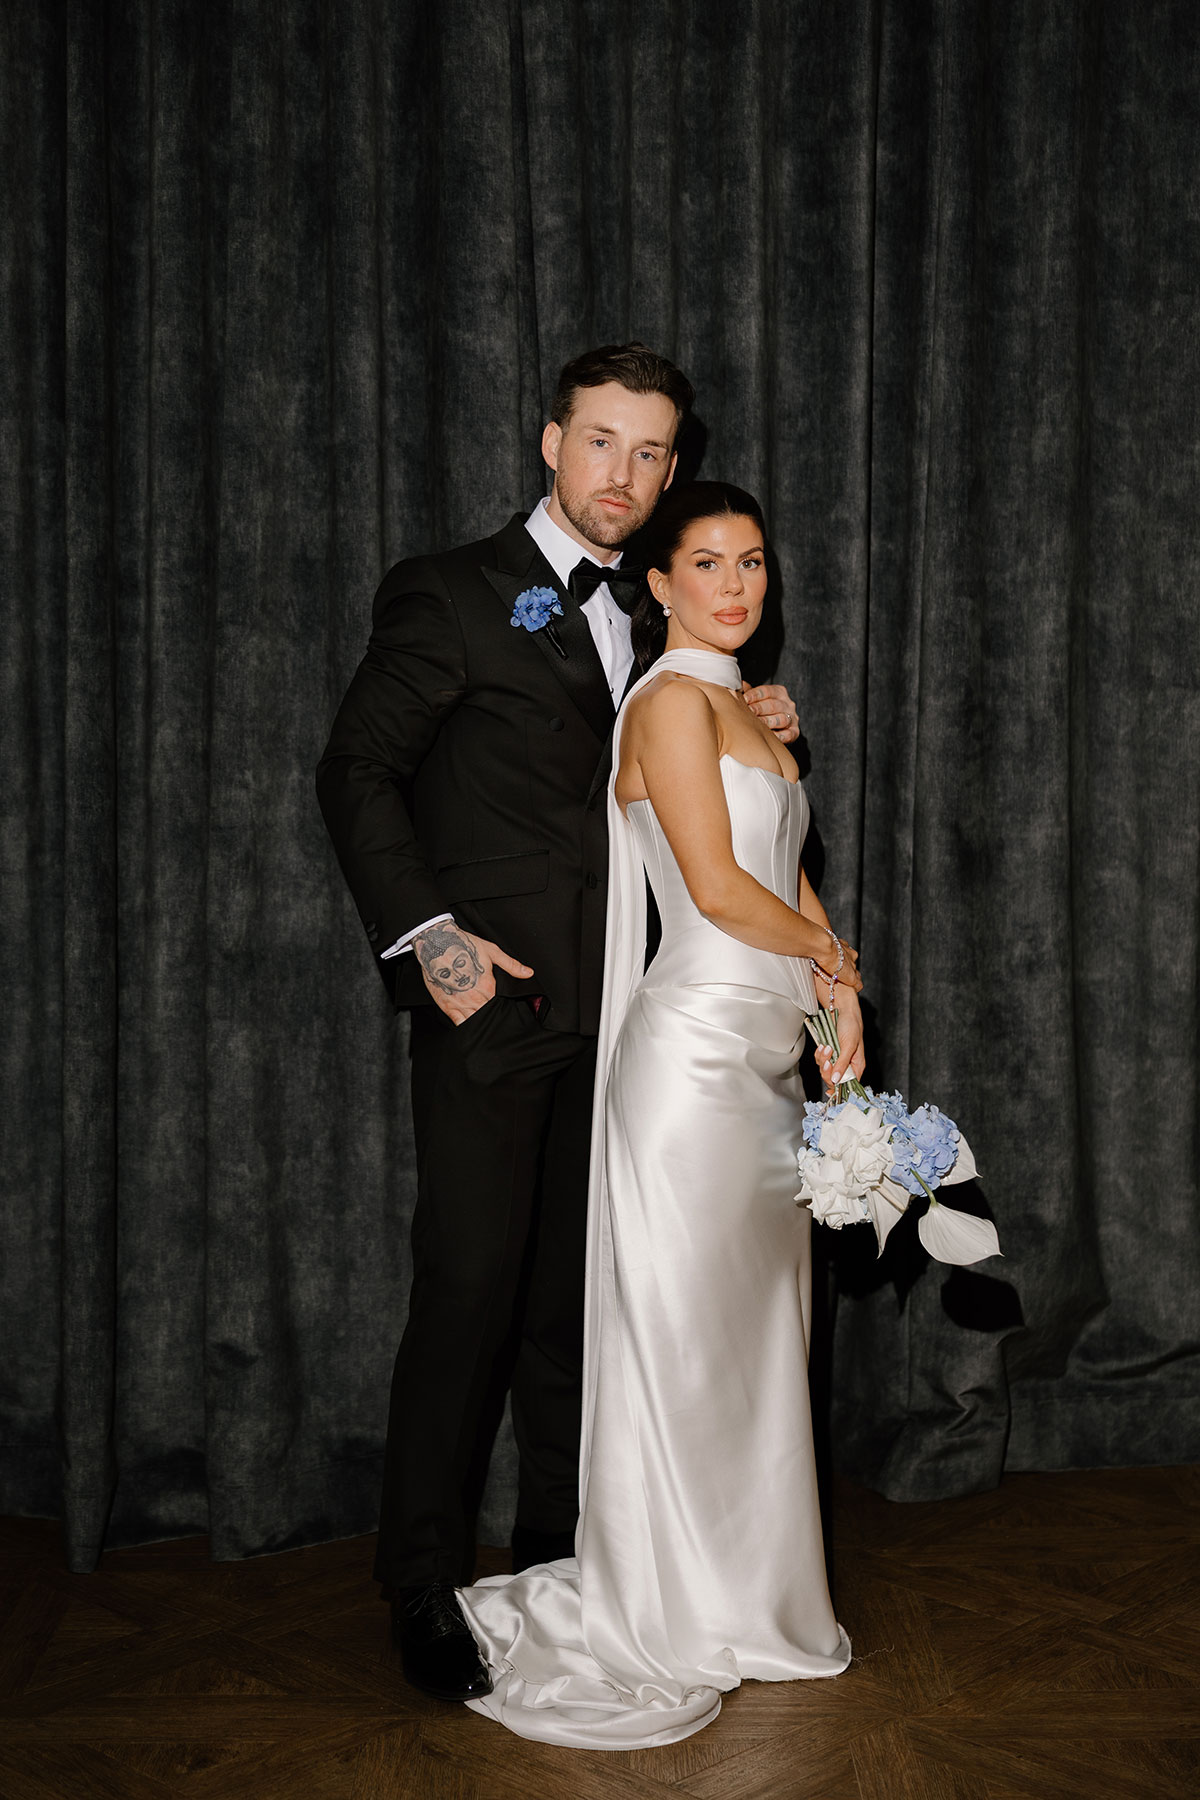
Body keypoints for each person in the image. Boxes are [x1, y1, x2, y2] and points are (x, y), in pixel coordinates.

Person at [315, 347, 804, 1703]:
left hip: (641, 1020)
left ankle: (559, 1550)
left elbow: (669, 755)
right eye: (603, 444)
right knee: (470, 1288)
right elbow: (357, 765)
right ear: (550, 442)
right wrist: (432, 938)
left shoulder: (663, 617)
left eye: (652, 454)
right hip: (499, 1007)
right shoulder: (452, 594)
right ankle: (418, 1584)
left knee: (578, 1303)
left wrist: (747, 714)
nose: (626, 478)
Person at [455, 481, 863, 1749]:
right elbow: (718, 889)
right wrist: (836, 965)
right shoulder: (671, 704)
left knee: (757, 1346)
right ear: (662, 583)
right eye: (708, 563)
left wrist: (831, 996)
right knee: (689, 1344)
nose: (738, 586)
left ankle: (749, 1592)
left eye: (753, 563)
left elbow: (788, 872)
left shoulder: (753, 715)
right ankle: (674, 1604)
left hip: (763, 1059)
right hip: (687, 1062)